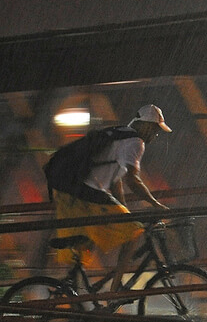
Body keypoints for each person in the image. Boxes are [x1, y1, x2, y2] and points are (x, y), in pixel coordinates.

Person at [52, 104, 171, 295]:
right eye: (156, 130)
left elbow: (115, 179)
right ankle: (115, 289)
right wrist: (155, 204)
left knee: (95, 236)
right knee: (134, 233)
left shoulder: (119, 133)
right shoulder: (136, 142)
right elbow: (132, 179)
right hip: (87, 192)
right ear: (147, 126)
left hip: (74, 191)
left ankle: (70, 285)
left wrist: (123, 209)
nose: (155, 135)